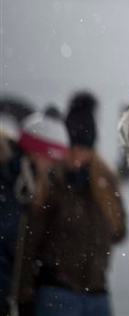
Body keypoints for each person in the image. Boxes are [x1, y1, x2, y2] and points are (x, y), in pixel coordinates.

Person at [22, 93, 126, 316]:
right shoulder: (50, 182)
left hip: (97, 294)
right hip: (57, 292)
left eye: (85, 150)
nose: (78, 157)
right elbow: (29, 240)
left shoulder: (104, 182)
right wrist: (25, 293)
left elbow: (119, 231)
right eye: (73, 148)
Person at [1, 108, 70, 316]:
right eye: (50, 158)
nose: (51, 166)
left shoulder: (25, 183)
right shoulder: (10, 180)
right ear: (35, 150)